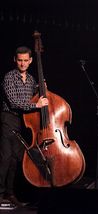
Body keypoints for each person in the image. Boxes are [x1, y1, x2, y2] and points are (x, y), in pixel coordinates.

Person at [0, 46, 48, 208]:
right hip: (9, 119)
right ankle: (0, 195)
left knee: (15, 161)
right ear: (15, 60)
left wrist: (43, 89)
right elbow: (14, 103)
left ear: (30, 61)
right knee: (5, 158)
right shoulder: (9, 77)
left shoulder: (33, 79)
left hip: (25, 122)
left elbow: (39, 97)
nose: (22, 63)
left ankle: (10, 193)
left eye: (25, 60)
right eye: (19, 60)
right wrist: (36, 105)